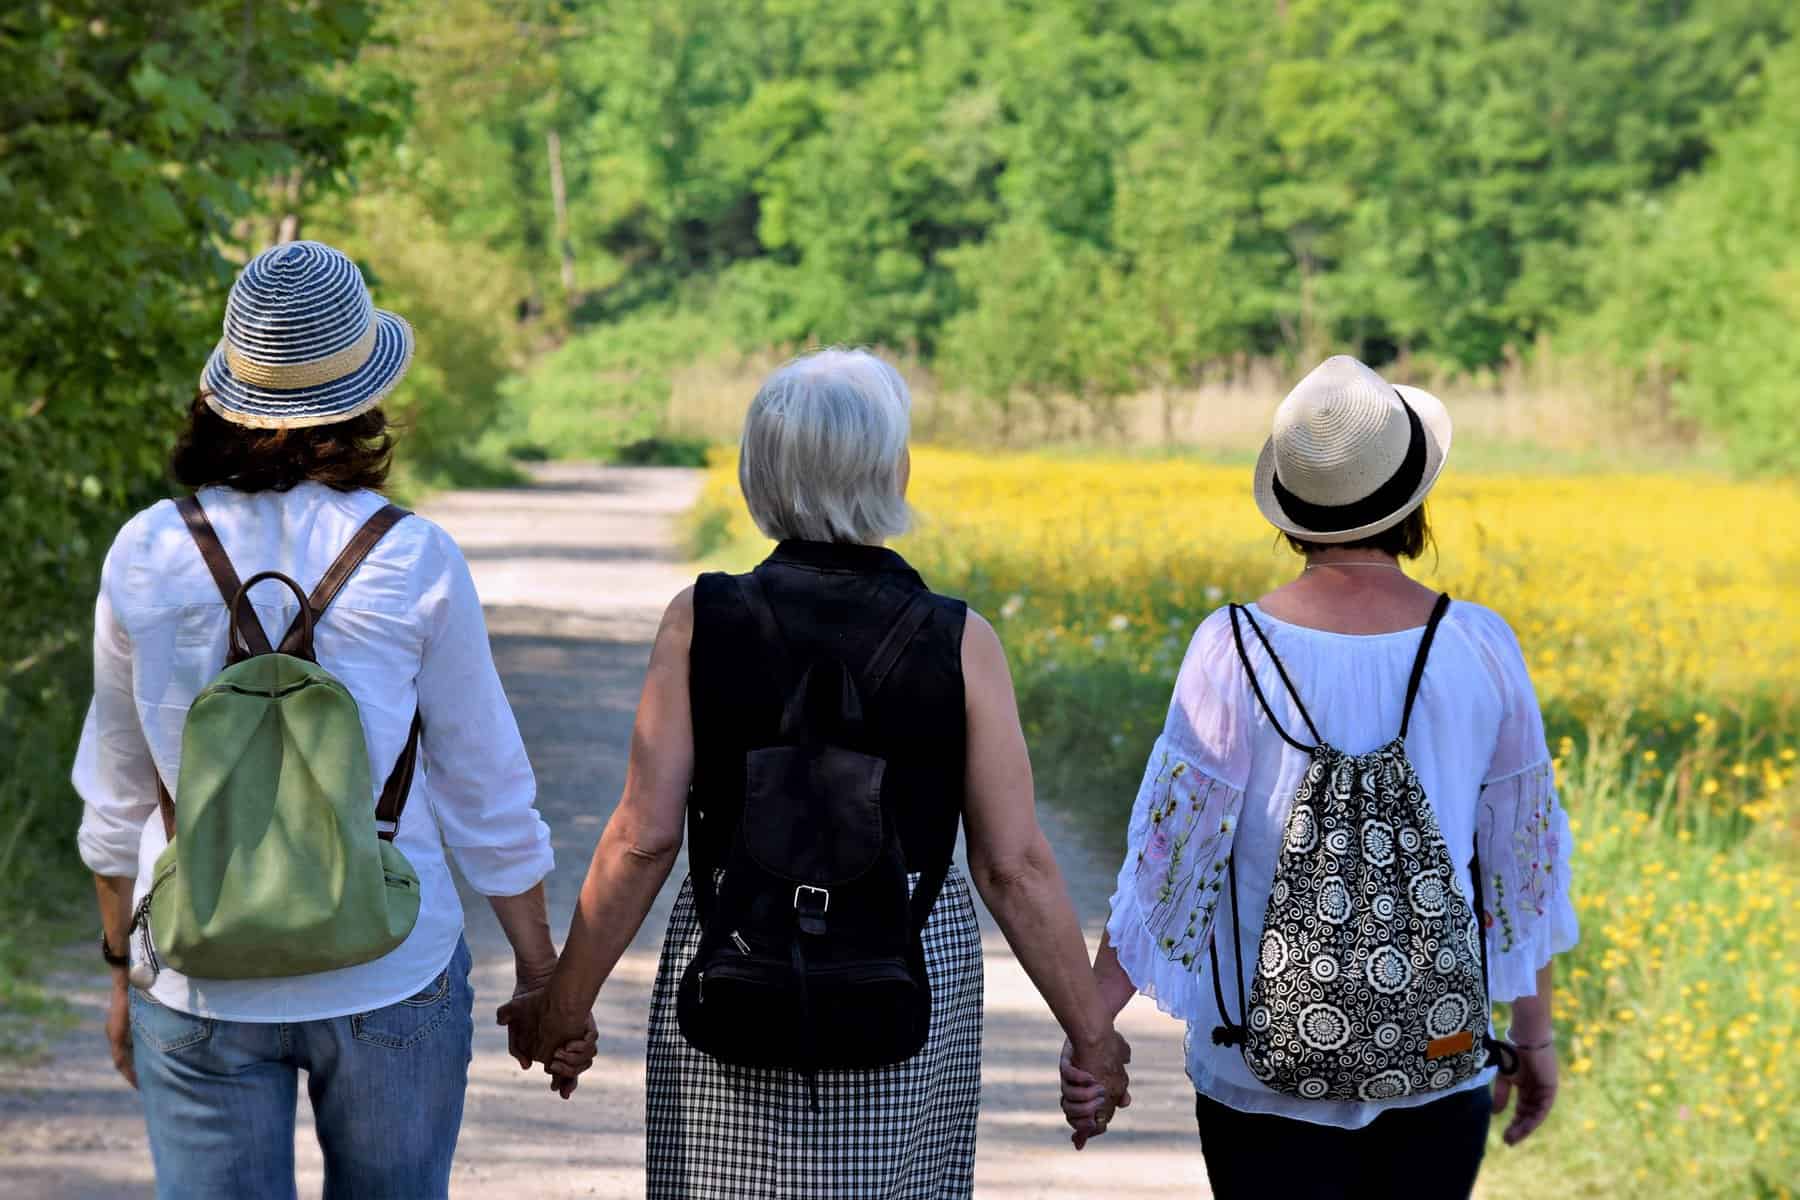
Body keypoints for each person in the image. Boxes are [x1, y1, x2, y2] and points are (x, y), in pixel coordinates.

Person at [500, 348, 1132, 1198]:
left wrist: (565, 1002)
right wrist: (1091, 1038)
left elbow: (643, 840)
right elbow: (1011, 865)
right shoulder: (961, 638)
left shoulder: (700, 620)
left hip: (738, 943)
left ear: (758, 474)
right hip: (905, 955)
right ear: (895, 471)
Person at [73, 240, 589, 1200]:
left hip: (197, 973)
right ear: (363, 398)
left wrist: (121, 974)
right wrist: (539, 974)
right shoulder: (414, 558)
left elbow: (114, 793)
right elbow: (485, 790)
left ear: (224, 394)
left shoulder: (146, 551)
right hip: (389, 962)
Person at [1061, 356, 1578, 1197]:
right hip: (1439, 1059)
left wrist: (1092, 1031)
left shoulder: (1230, 648)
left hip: (1256, 1070)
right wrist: (1535, 1035)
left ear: (1292, 510)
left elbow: (1169, 871)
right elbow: (1523, 871)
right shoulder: (1481, 645)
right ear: (1415, 501)